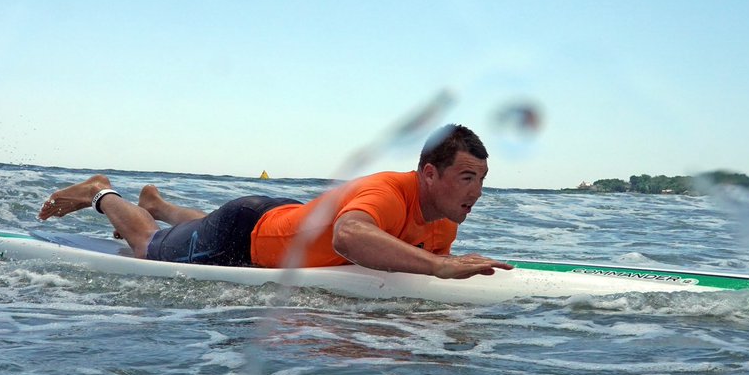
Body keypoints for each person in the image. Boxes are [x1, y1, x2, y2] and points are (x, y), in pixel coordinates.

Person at [37, 124, 512, 280]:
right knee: (146, 244)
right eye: (467, 177)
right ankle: (100, 192)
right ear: (429, 173)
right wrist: (439, 269)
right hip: (243, 236)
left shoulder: (446, 219)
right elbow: (349, 238)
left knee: (188, 225)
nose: (477, 191)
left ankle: (157, 202)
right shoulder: (388, 193)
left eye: (482, 179)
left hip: (283, 215)